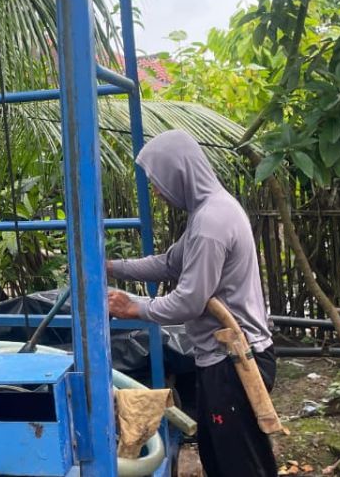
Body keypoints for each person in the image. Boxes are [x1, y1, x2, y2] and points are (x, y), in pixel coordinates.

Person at [105, 130, 277, 477]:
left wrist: (135, 307)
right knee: (222, 457)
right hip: (222, 359)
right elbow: (169, 263)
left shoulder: (211, 223)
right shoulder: (209, 210)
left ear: (178, 172)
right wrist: (109, 267)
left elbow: (189, 301)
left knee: (240, 465)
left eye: (157, 180)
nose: (156, 190)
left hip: (235, 362)